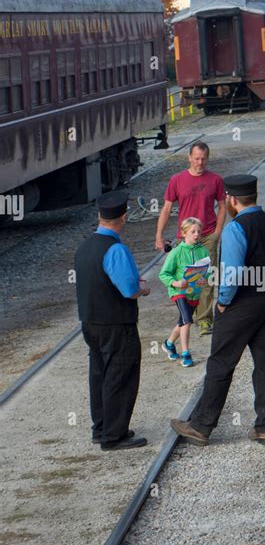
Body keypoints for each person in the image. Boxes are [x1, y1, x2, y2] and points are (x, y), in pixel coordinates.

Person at [170, 175, 265, 447]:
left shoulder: (236, 229)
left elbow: (232, 273)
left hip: (240, 304)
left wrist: (223, 300)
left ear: (232, 201)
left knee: (221, 363)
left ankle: (200, 426)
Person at [75, 192, 150, 451]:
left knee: (99, 375)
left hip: (90, 322)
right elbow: (128, 288)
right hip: (117, 324)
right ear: (124, 218)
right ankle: (114, 436)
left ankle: (101, 428)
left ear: (99, 217)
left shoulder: (84, 247)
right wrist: (144, 289)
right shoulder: (116, 249)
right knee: (120, 376)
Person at [155, 142, 225, 336]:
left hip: (208, 235)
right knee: (184, 279)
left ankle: (204, 320)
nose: (200, 162)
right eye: (196, 158)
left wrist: (218, 232)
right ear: (189, 158)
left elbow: (222, 206)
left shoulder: (216, 180)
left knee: (206, 279)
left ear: (207, 159)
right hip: (184, 239)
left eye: (203, 159)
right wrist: (159, 235)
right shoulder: (177, 180)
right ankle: (187, 316)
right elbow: (167, 208)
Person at [159, 217, 210, 368]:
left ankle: (168, 344)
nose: (196, 234)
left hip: (194, 292)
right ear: (184, 233)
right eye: (193, 231)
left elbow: (207, 272)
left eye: (199, 232)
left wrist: (204, 279)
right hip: (179, 291)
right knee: (187, 320)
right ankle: (186, 354)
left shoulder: (204, 251)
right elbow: (163, 274)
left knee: (182, 322)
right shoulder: (176, 252)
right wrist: (175, 283)